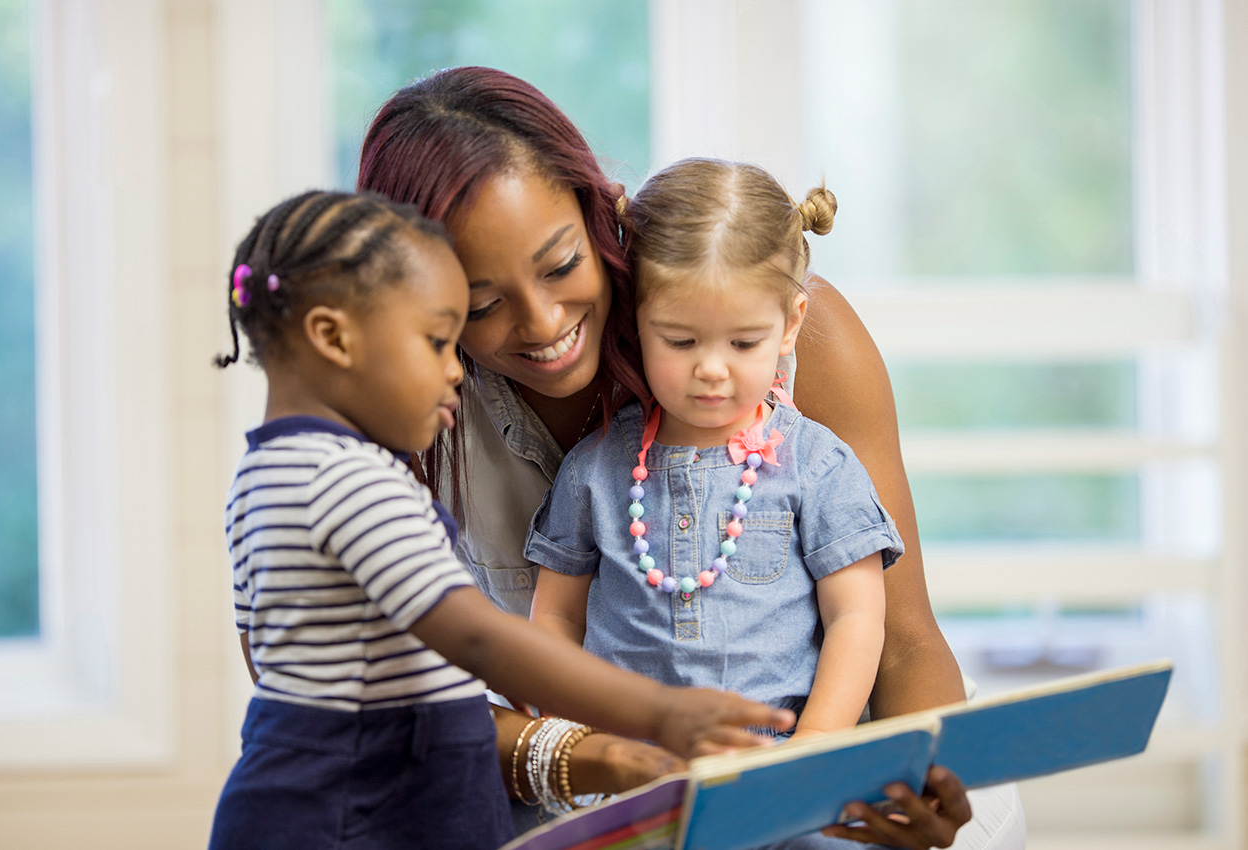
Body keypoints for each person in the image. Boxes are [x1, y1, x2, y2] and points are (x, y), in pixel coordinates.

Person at [357, 66, 1026, 849]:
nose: (541, 323)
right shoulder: (409, 412)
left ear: (603, 214)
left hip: (842, 764)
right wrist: (596, 758)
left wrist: (908, 780)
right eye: (481, 303)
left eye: (561, 265)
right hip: (598, 774)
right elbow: (369, 696)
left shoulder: (789, 342)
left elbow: (901, 636)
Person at [206, 189, 796, 850]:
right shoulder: (350, 480)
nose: (454, 369)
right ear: (332, 336)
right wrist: (658, 712)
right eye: (435, 341)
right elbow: (479, 640)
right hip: (361, 814)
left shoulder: (265, 476)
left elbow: (269, 658)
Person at [528, 159, 900, 755]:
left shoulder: (818, 466)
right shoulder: (595, 469)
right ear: (635, 321)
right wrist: (583, 744)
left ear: (789, 325)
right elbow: (554, 620)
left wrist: (817, 747)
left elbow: (856, 619)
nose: (711, 367)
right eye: (679, 340)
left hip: (775, 764)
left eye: (744, 342)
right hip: (628, 768)